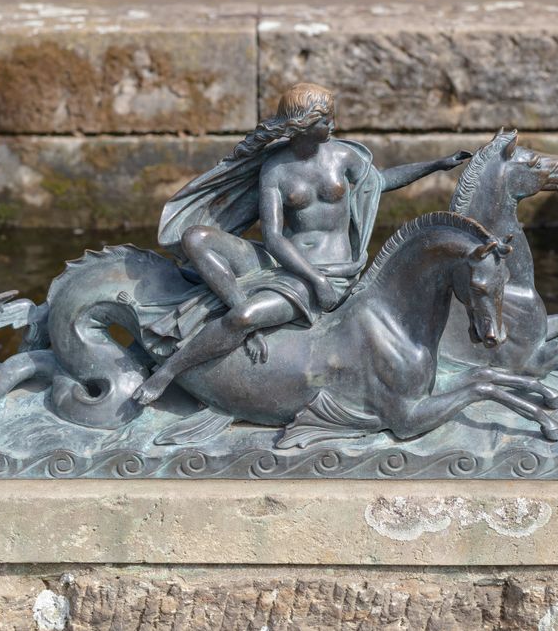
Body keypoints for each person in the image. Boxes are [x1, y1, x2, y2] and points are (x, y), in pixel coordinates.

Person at [132, 83, 470, 405]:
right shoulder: (275, 169)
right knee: (196, 237)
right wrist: (313, 278)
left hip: (331, 271)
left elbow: (379, 181)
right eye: (325, 120)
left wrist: (435, 165)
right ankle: (237, 304)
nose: (333, 125)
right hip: (290, 266)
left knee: (245, 317)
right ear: (303, 125)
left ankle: (168, 371)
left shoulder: (343, 156)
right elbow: (274, 237)